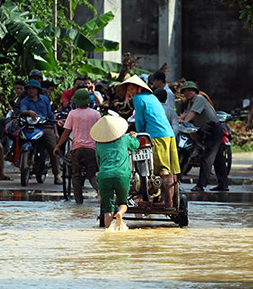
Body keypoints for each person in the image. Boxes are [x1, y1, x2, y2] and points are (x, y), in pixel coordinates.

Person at [116, 75, 181, 208]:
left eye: (132, 89)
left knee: (162, 169)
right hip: (169, 135)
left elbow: (139, 120)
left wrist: (139, 135)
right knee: (170, 170)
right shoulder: (151, 97)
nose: (130, 92)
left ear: (139, 88)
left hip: (157, 136)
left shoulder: (139, 99)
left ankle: (166, 203)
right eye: (129, 89)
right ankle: (171, 202)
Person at [90, 115, 140, 228]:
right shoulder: (125, 138)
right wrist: (134, 136)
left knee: (107, 209)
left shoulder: (99, 144)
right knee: (123, 203)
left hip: (104, 175)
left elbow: (99, 162)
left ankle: (109, 233)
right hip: (121, 175)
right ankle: (120, 213)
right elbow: (135, 145)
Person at [53, 89, 101, 203]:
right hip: (92, 149)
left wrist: (58, 146)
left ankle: (79, 202)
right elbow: (100, 131)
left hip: (77, 149)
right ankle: (100, 190)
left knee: (76, 176)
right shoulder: (96, 114)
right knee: (91, 175)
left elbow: (66, 133)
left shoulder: (72, 114)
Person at [180, 81, 229, 192]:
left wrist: (184, 122)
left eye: (190, 91)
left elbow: (192, 114)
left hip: (214, 130)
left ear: (195, 91)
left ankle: (201, 185)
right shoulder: (191, 102)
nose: (188, 93)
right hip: (208, 131)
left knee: (207, 158)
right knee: (219, 159)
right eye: (185, 91)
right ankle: (223, 184)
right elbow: (187, 113)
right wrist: (181, 119)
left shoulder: (199, 99)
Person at [20, 79, 61, 184]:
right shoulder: (25, 100)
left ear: (38, 90)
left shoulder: (44, 100)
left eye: (33, 88)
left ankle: (57, 175)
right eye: (29, 88)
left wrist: (55, 132)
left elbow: (51, 115)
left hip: (45, 126)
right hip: (29, 126)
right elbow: (22, 110)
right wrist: (28, 112)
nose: (31, 90)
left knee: (53, 148)